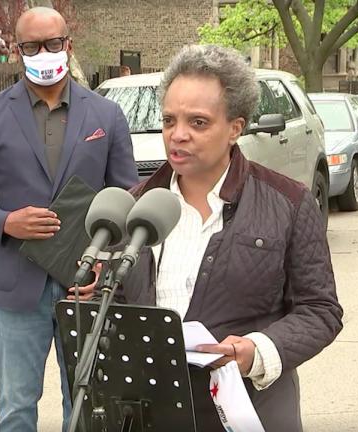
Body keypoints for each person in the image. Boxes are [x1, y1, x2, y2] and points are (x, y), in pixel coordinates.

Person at [116, 45, 343, 431]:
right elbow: (119, 304)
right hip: (153, 412)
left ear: (235, 128)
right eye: (169, 120)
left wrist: (257, 351)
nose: (178, 135)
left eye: (198, 122)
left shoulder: (288, 203)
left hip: (250, 409)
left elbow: (320, 310)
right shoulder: (135, 208)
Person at [0, 7, 138, 432]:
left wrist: (105, 263)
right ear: (18, 52)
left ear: (68, 45)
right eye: (32, 46)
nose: (44, 52)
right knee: (15, 407)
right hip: (18, 283)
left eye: (53, 43)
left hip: (85, 283)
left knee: (86, 404)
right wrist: (3, 221)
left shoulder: (106, 116)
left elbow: (127, 196)